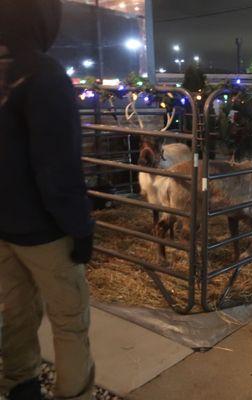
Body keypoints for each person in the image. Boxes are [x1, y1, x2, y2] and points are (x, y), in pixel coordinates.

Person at [0, 1, 95, 399]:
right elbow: (57, 167)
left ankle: (20, 385)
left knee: (15, 314)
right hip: (44, 231)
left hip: (1, 228)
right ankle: (73, 394)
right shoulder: (44, 75)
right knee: (69, 321)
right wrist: (80, 228)